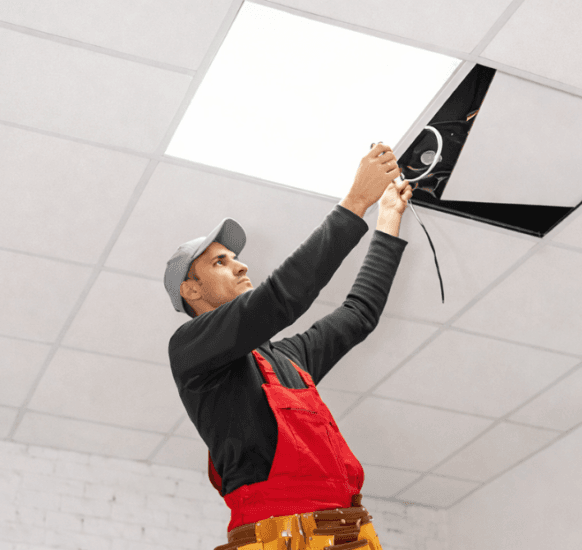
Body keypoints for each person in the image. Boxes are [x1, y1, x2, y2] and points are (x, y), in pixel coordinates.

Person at [163, 143, 413, 550]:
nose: (241, 265)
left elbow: (359, 314)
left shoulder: (290, 360)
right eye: (219, 262)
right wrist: (356, 202)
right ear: (190, 290)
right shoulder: (192, 351)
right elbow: (282, 298)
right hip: (276, 540)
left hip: (348, 536)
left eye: (235, 257)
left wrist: (387, 216)